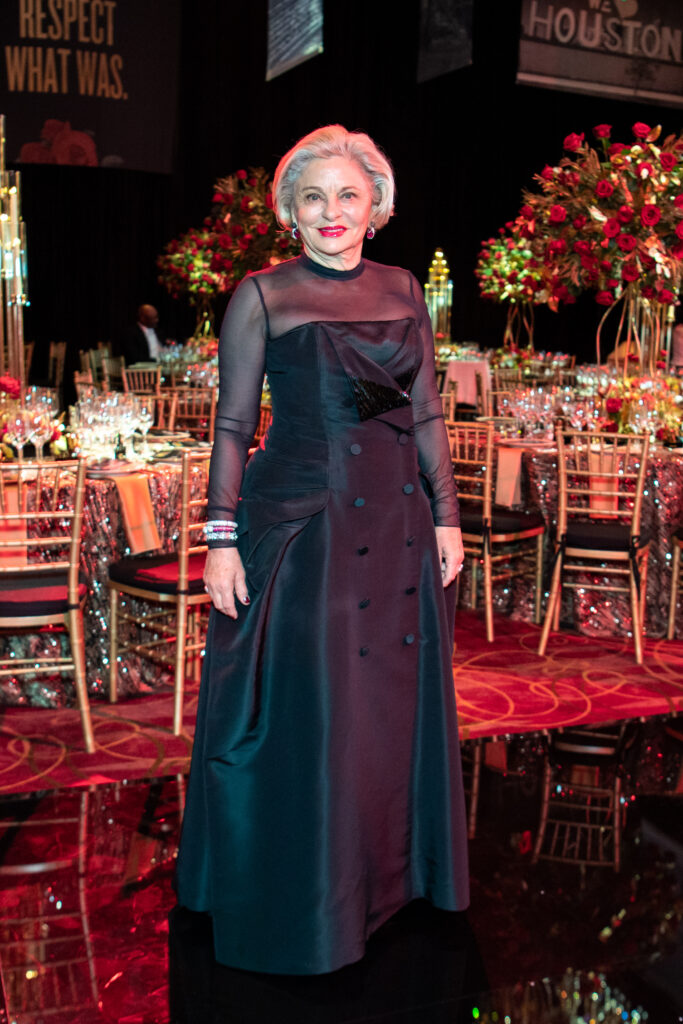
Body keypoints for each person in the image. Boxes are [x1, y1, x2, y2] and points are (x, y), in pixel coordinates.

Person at [175, 124, 470, 975]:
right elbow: (231, 427)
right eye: (315, 198)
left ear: (374, 206)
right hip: (305, 531)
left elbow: (415, 413)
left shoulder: (402, 286)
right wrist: (220, 537)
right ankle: (312, 898)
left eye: (348, 195)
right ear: (291, 214)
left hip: (398, 530)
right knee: (318, 716)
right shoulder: (264, 295)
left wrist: (446, 517)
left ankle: (387, 879)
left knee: (382, 715)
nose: (332, 212)